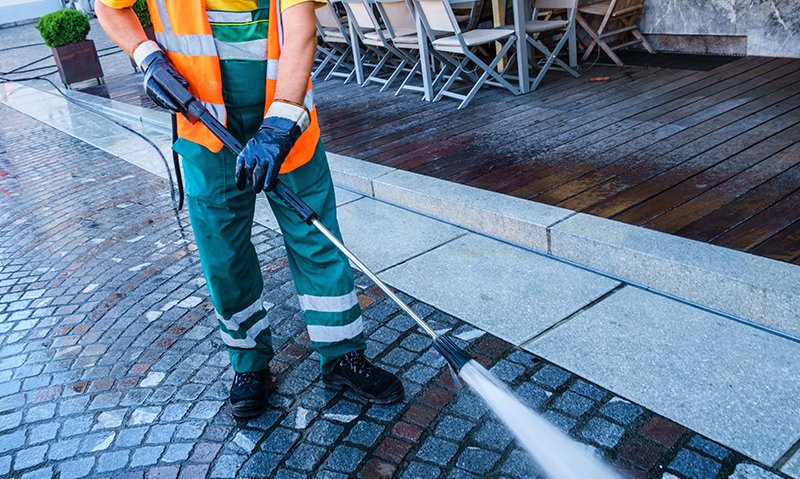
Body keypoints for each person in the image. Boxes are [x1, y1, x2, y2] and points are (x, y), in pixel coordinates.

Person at [95, 0, 403, 418]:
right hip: (203, 126)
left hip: (285, 114)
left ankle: (343, 354)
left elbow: (300, 28)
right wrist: (146, 55)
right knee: (224, 254)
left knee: (317, 241)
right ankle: (248, 364)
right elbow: (109, 6)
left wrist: (280, 126)